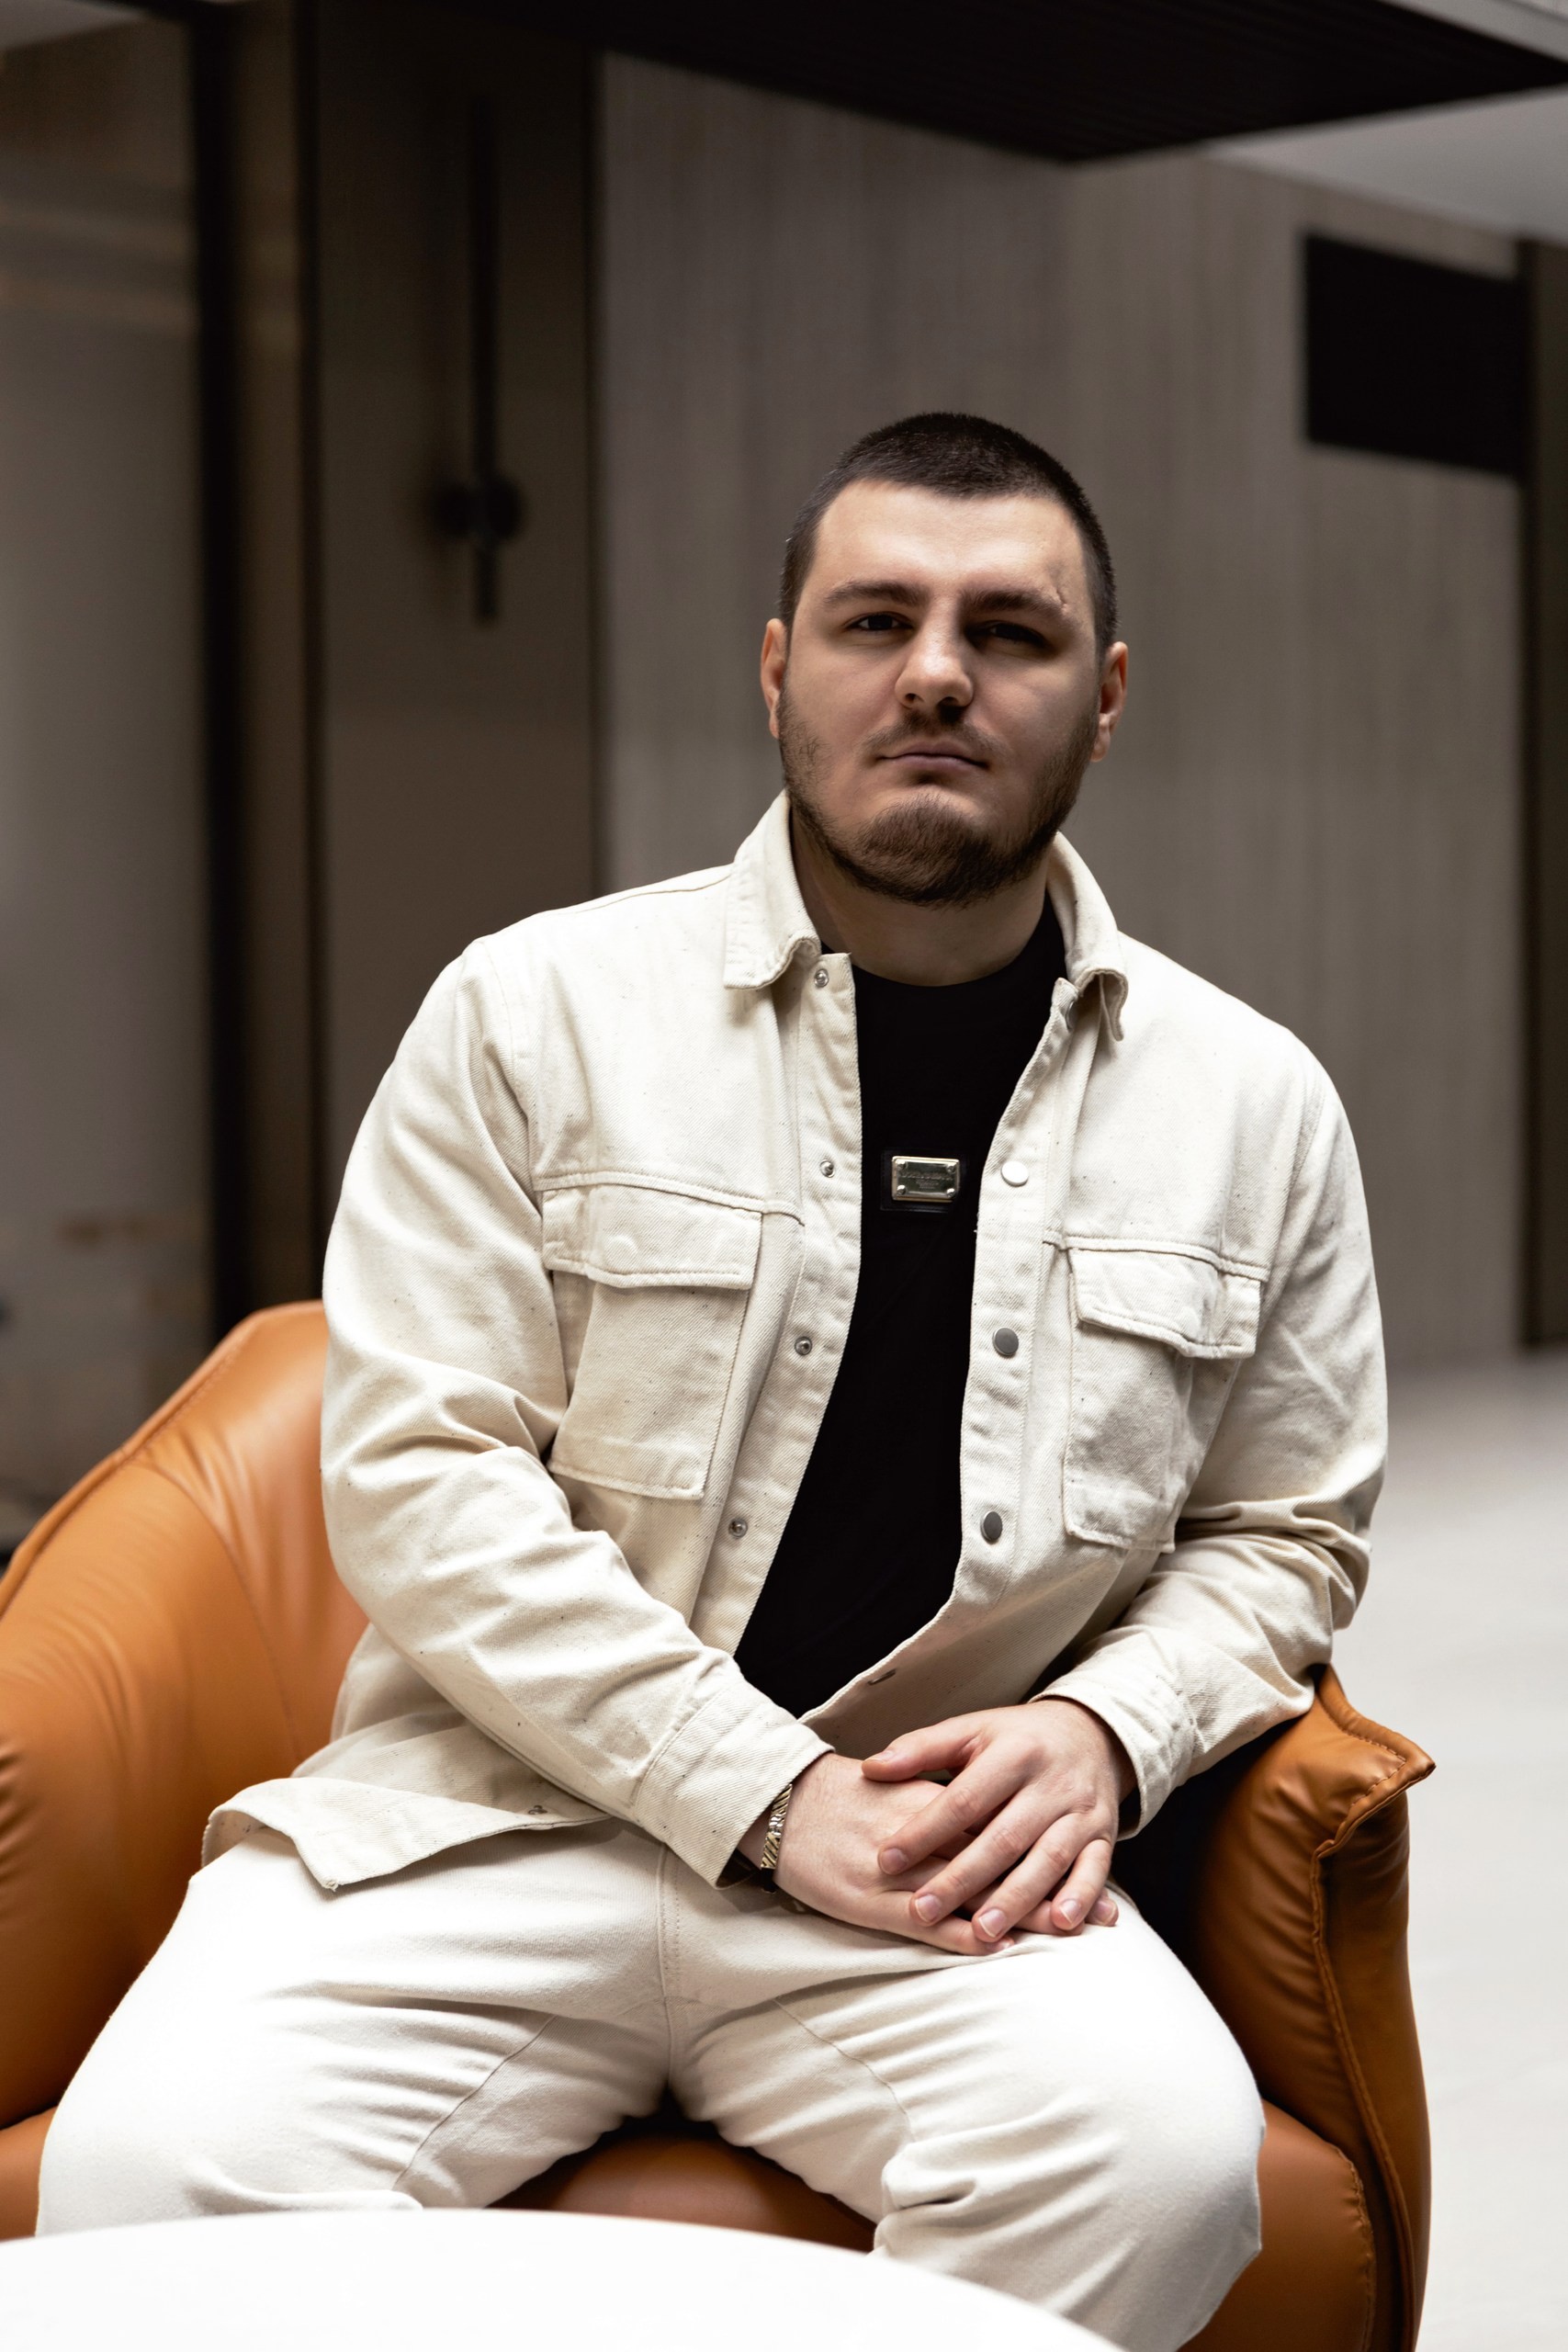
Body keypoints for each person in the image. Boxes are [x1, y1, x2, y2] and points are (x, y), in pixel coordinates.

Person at [38, 413, 1383, 2352]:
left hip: (931, 1858)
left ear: (1098, 700)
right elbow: (422, 1476)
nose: (933, 672)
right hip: (500, 1811)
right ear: (776, 670)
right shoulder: (530, 1008)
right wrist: (757, 1788)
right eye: (872, 619)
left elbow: (1281, 1524)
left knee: (1152, 2166)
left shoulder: (1251, 1103)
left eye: (1004, 632)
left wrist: (1101, 1730)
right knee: (143, 2180)